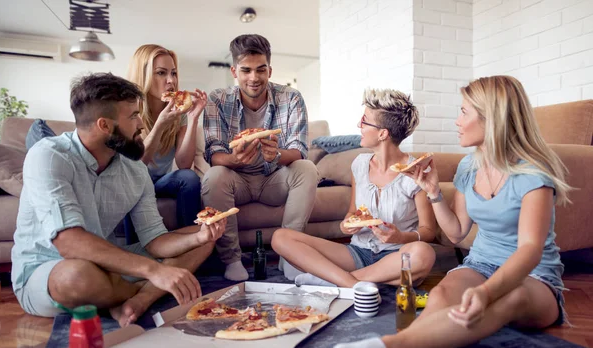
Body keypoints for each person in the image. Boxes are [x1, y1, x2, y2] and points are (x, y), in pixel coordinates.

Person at [327, 75, 572, 348]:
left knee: (505, 299)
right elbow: (456, 232)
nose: (456, 121)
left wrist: (484, 292)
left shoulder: (533, 176)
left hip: (535, 279)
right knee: (442, 297)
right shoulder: (469, 167)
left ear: (492, 118)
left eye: (464, 112)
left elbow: (529, 251)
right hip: (481, 263)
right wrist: (433, 193)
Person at [11, 73, 226, 328]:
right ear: (105, 125)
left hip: (107, 265)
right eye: (133, 116)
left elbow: (155, 240)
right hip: (47, 269)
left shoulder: (134, 170)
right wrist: (154, 271)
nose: (141, 125)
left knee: (202, 242)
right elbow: (68, 243)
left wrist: (198, 238)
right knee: (77, 276)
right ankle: (138, 292)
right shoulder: (48, 155)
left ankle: (138, 300)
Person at [271, 89, 436, 288]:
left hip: (397, 254)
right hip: (357, 252)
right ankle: (358, 282)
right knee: (281, 238)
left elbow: (428, 231)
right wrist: (348, 224)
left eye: (365, 121)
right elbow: (351, 213)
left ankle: (334, 281)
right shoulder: (359, 164)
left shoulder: (413, 172)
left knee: (423, 253)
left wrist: (401, 237)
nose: (359, 125)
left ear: (383, 133)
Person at [202, 34, 318, 281]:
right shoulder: (217, 100)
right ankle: (232, 260)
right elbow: (214, 153)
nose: (254, 78)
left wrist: (276, 154)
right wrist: (236, 159)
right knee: (214, 176)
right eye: (246, 70)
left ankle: (290, 254)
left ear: (270, 70)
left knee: (307, 168)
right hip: (237, 181)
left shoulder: (292, 97)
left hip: (273, 179)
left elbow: (299, 150)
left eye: (260, 70)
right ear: (234, 71)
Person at [124, 44, 206, 242]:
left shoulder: (179, 109)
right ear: (142, 75)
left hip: (159, 182)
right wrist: (160, 124)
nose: (171, 81)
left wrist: (193, 118)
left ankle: (191, 244)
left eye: (173, 73)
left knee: (189, 177)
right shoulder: (127, 108)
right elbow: (137, 164)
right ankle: (138, 252)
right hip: (133, 180)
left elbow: (185, 164)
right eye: (161, 73)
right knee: (133, 182)